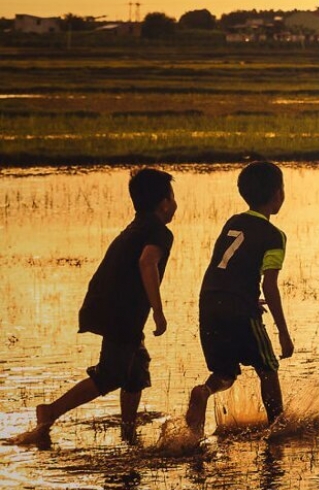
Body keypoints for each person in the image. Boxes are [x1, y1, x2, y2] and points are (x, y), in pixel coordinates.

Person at [34, 167, 176, 440]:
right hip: (120, 312)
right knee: (111, 374)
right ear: (164, 203)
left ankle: (128, 430)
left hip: (107, 305)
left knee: (136, 369)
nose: (174, 204)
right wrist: (158, 311)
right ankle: (51, 411)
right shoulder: (158, 231)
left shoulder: (137, 226)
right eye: (172, 197)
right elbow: (147, 262)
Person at [185, 160, 293, 436]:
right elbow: (270, 285)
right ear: (278, 195)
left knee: (225, 372)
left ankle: (204, 391)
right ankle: (277, 427)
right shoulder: (274, 236)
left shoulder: (233, 222)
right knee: (267, 366)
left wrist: (244, 295)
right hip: (240, 307)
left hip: (209, 301)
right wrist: (283, 332)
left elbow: (229, 268)